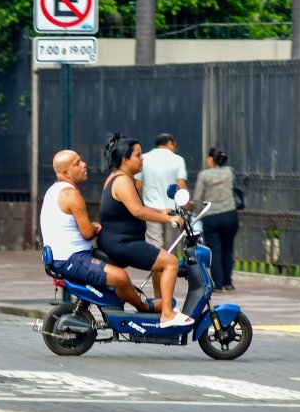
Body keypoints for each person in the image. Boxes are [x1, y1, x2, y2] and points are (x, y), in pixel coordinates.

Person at [41, 149, 162, 312]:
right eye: (77, 163)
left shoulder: (53, 191)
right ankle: (144, 306)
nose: (84, 165)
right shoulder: (71, 195)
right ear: (65, 172)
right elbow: (88, 233)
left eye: (81, 160)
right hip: (73, 259)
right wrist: (94, 228)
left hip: (61, 257)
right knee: (120, 277)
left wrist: (90, 225)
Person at [99, 134, 191, 328]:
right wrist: (169, 218)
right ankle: (167, 314)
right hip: (122, 244)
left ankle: (162, 305)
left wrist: (161, 210)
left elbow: (132, 207)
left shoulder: (117, 177)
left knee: (161, 263)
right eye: (138, 155)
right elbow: (138, 211)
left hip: (117, 241)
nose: (143, 159)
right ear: (125, 159)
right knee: (171, 263)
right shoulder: (123, 181)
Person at [193, 146, 239, 291]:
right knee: (228, 248)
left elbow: (198, 197)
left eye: (207, 157)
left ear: (212, 159)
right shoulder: (229, 171)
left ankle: (217, 284)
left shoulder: (204, 175)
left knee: (215, 249)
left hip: (211, 217)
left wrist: (197, 213)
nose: (206, 160)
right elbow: (234, 188)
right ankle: (228, 282)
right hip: (230, 214)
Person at [137, 133, 188, 251]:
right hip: (173, 211)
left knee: (155, 251)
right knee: (171, 250)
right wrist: (187, 205)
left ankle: (157, 269)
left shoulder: (144, 159)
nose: (175, 149)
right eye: (175, 146)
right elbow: (181, 187)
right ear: (170, 143)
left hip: (151, 211)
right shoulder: (178, 160)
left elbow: (137, 186)